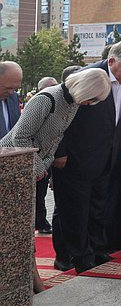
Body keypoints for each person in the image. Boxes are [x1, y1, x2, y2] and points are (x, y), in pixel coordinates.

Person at [1, 67, 111, 292]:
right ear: (84, 89)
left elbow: (54, 139)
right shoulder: (47, 99)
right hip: (13, 166)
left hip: (36, 167)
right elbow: (20, 136)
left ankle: (28, 279)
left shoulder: (72, 103)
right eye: (91, 99)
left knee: (26, 223)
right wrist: (38, 167)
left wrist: (43, 166)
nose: (90, 104)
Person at [52, 40, 121, 273]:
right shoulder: (87, 76)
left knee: (98, 207)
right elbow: (61, 115)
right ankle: (67, 255)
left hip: (106, 157)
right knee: (72, 209)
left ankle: (96, 249)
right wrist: (59, 152)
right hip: (75, 157)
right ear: (111, 61)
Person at [33, 76, 59, 235]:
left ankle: (40, 221)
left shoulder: (60, 108)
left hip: (48, 159)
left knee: (41, 194)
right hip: (32, 158)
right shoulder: (35, 107)